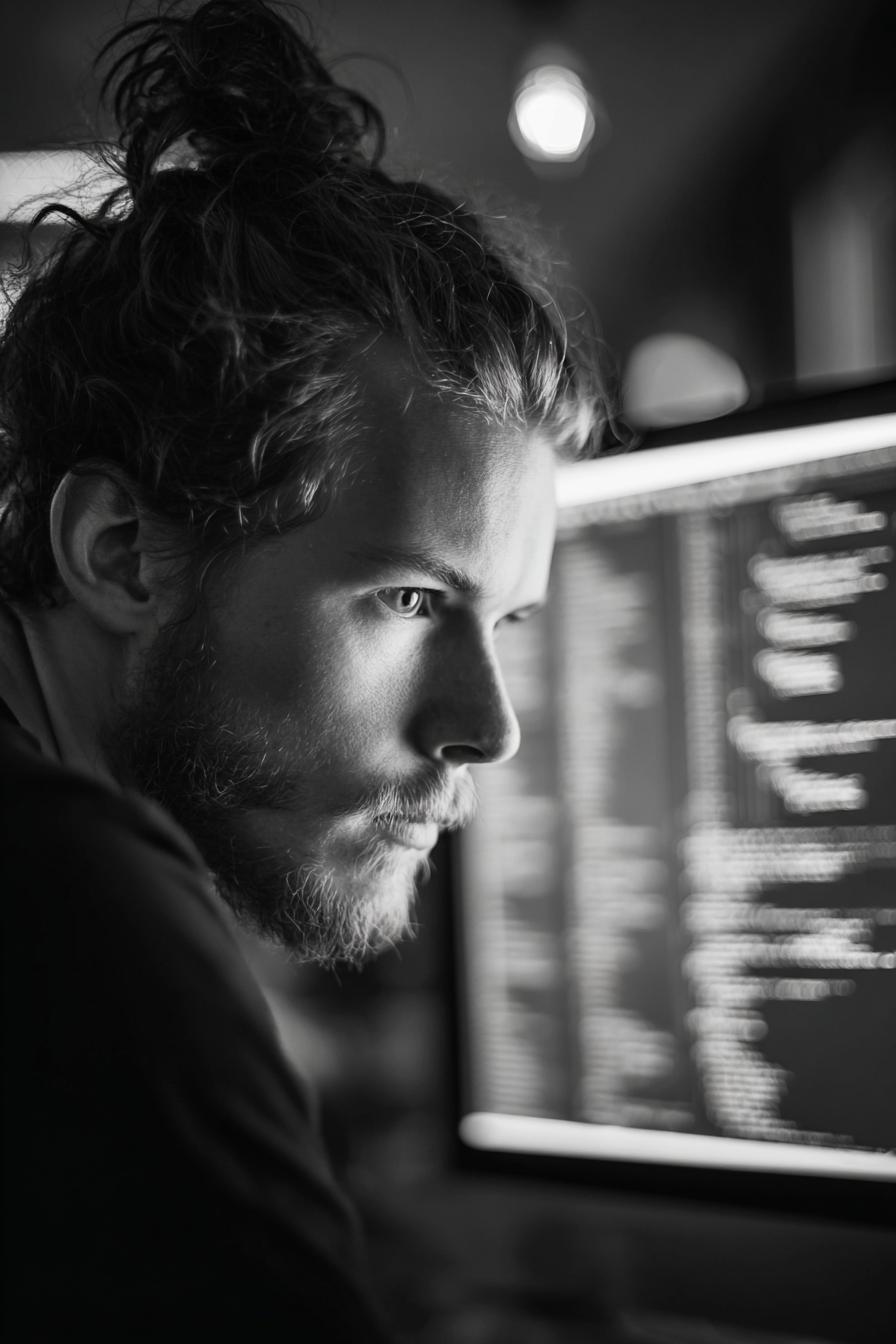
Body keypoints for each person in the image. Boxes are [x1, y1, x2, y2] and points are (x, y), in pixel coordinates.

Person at [0, 0, 606, 1336]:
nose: (487, 730)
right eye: (408, 597)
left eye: (501, 621)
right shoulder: (75, 904)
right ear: (121, 554)